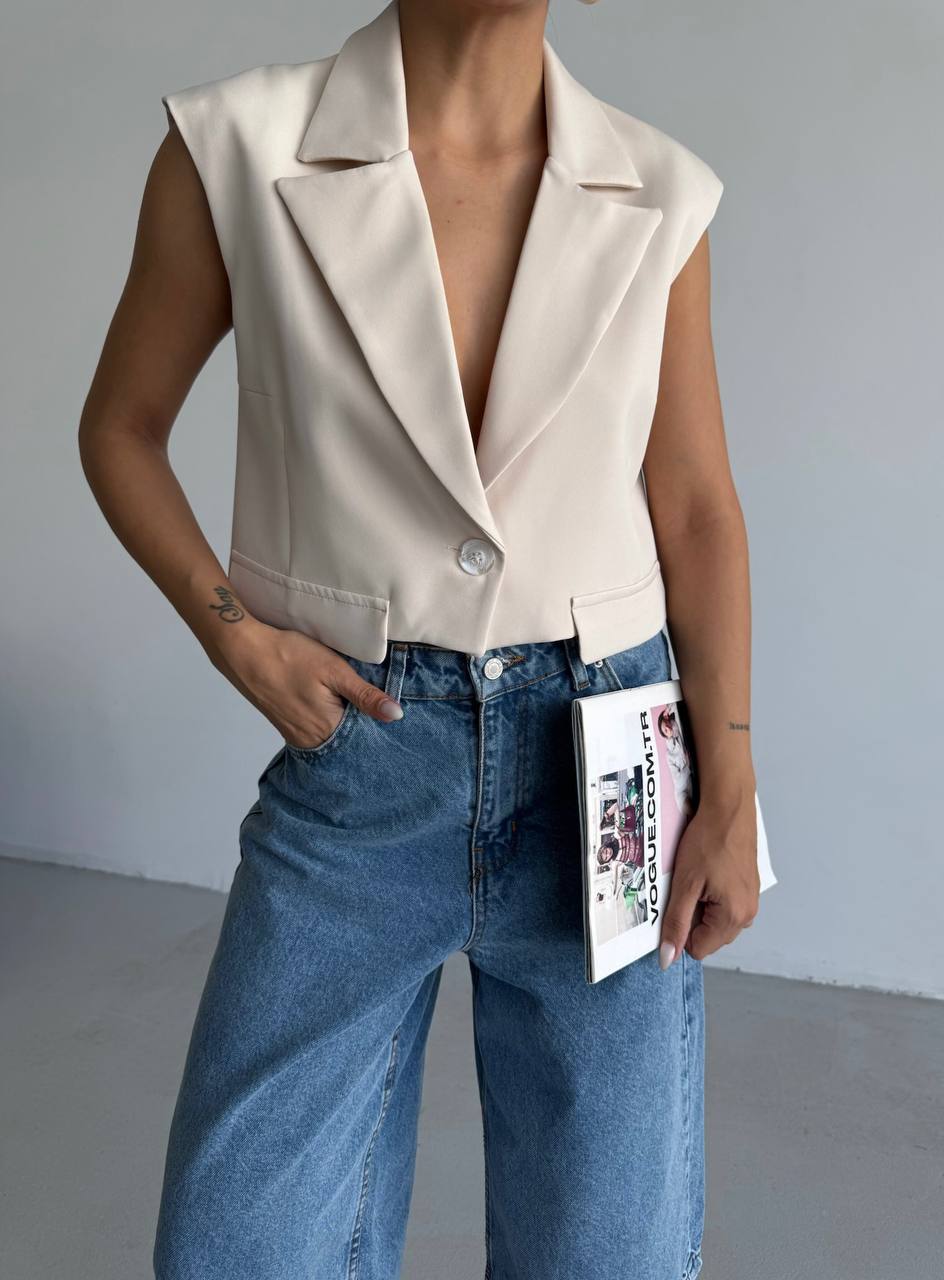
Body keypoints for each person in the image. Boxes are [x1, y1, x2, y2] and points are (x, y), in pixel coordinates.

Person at [77, 2, 761, 1276]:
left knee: (605, 1251)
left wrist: (732, 778)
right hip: (361, 756)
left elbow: (698, 510)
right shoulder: (237, 145)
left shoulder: (659, 190)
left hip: (606, 768)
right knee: (239, 1244)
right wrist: (238, 636)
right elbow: (121, 425)